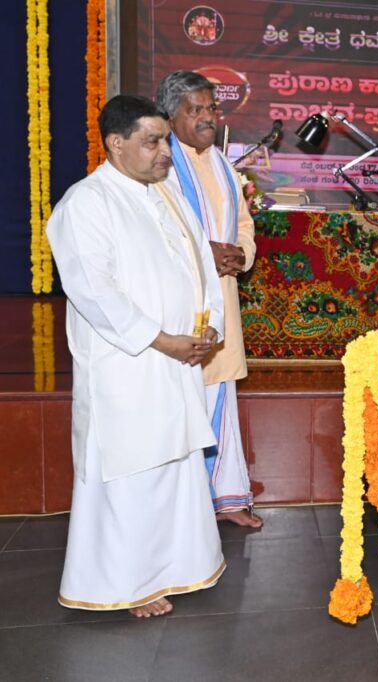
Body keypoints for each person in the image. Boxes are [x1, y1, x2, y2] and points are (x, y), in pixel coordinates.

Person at [48, 94, 226, 617]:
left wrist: (209, 324)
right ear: (116, 144)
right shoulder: (87, 202)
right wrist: (162, 339)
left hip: (178, 359)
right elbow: (94, 291)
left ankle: (179, 567)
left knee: (174, 465)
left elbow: (201, 264)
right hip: (127, 365)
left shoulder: (167, 195)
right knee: (131, 471)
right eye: (152, 142)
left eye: (165, 140)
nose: (165, 152)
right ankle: (127, 585)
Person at [156, 71, 262, 528]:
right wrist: (204, 253)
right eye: (194, 110)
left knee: (220, 397)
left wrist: (241, 253)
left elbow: (243, 223)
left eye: (211, 109)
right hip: (180, 308)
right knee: (185, 403)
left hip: (223, 298)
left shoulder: (221, 164)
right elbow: (155, 232)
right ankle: (187, 507)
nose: (207, 118)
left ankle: (226, 497)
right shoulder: (158, 166)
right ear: (170, 117)